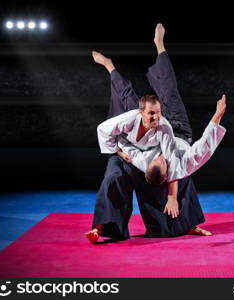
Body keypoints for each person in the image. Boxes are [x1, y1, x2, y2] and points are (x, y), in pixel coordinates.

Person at [85, 24, 226, 243]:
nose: (161, 156)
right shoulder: (174, 160)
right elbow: (204, 147)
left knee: (160, 92)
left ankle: (158, 45)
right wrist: (217, 116)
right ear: (167, 168)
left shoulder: (150, 155)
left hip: (162, 130)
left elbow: (146, 152)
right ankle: (110, 66)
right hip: (176, 128)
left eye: (159, 158)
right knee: (142, 96)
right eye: (163, 160)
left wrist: (123, 151)